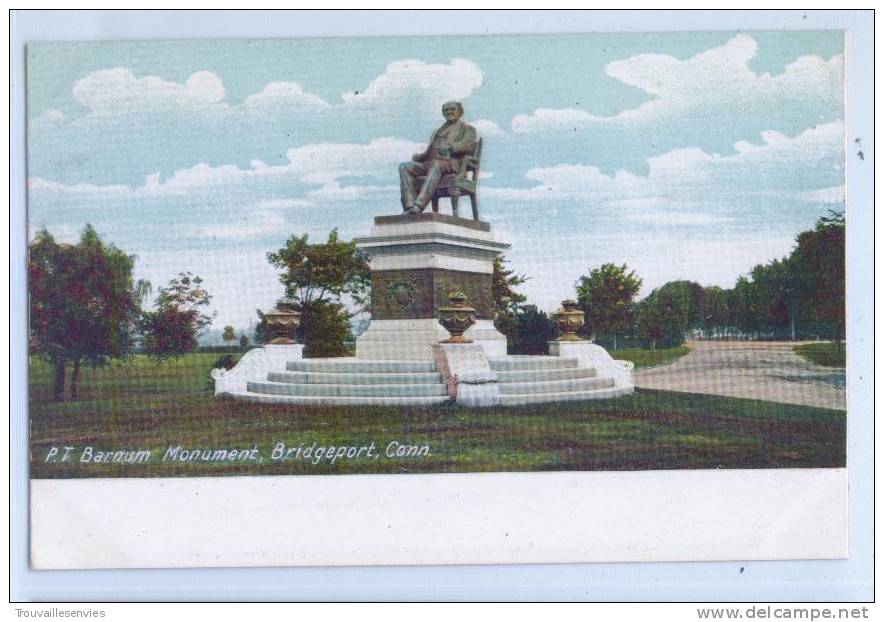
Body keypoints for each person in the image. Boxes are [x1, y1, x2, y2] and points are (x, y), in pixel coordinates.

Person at [399, 101, 477, 214]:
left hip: (450, 163)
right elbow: (429, 152)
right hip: (430, 163)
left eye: (452, 109)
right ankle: (409, 206)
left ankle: (419, 206)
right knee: (404, 167)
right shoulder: (437, 131)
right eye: (446, 110)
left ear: (460, 112)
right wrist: (420, 156)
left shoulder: (467, 129)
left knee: (437, 165)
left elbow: (469, 145)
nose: (449, 111)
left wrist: (452, 147)